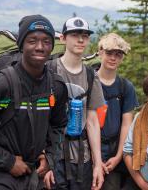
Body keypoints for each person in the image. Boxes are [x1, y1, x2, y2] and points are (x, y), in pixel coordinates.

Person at [0, 14, 69, 190]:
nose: (40, 47)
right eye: (32, 40)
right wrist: (8, 162)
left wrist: (49, 158)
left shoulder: (56, 86)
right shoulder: (1, 85)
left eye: (46, 41)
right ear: (21, 45)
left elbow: (59, 126)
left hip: (34, 173)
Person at [44, 16, 104, 190]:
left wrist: (97, 163)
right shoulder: (48, 70)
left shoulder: (91, 76)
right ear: (62, 38)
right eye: (75, 35)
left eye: (85, 36)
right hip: (54, 155)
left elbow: (92, 121)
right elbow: (40, 119)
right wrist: (45, 161)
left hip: (81, 158)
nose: (80, 39)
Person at [96, 33, 139, 190]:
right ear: (100, 52)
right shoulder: (89, 82)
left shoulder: (125, 87)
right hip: (87, 153)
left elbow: (127, 125)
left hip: (113, 154)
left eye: (118, 54)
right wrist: (95, 158)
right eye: (109, 53)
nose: (113, 58)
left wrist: (118, 157)